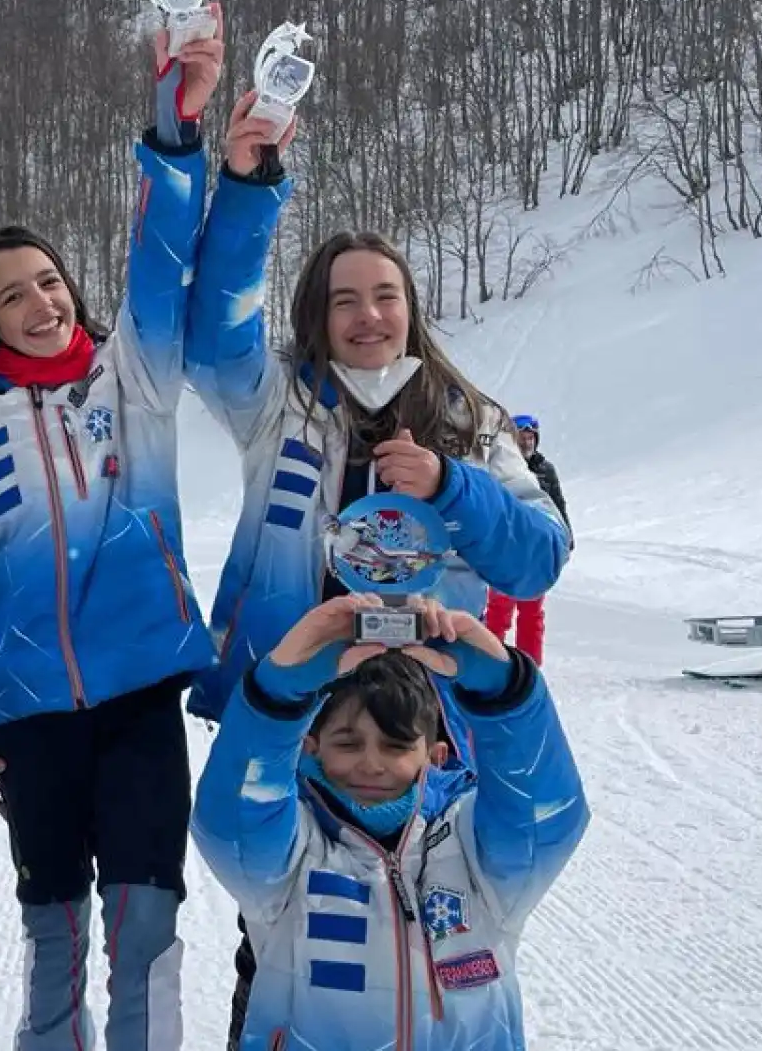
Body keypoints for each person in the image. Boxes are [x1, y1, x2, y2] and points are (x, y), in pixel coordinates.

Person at [182, 95, 572, 1047]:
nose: (368, 315)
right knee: (277, 938)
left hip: (426, 731)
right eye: (344, 298)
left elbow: (540, 554)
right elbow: (217, 328)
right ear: (318, 314)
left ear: (412, 307)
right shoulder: (278, 403)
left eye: (386, 295)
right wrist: (247, 186)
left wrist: (451, 486)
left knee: (445, 935)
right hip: (298, 722)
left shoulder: (468, 418)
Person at [0, 11, 226, 1051]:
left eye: (48, 281)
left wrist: (173, 131)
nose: (41, 301)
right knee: (52, 938)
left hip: (137, 699)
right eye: (13, 295)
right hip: (29, 712)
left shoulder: (131, 375)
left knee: (145, 929)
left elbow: (164, 255)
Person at [190, 593, 588, 1050]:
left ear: (435, 756)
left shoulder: (474, 848)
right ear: (312, 746)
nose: (372, 764)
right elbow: (232, 824)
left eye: (396, 746)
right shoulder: (293, 851)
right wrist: (277, 693)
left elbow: (544, 818)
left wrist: (505, 691)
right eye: (348, 743)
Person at [483, 413, 570, 662]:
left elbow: (557, 504)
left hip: (534, 550)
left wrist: (566, 536)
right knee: (499, 611)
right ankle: (490, 660)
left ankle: (531, 666)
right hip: (505, 550)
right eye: (522, 437)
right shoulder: (501, 468)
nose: (527, 442)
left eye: (531, 437)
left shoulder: (543, 470)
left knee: (532, 612)